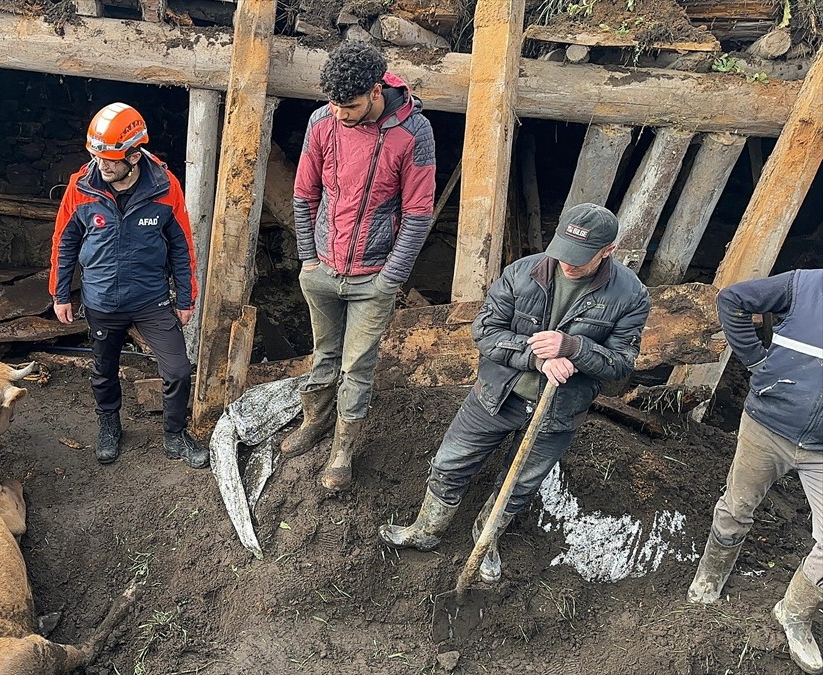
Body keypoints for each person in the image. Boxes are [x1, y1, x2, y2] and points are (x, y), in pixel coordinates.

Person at [378, 203, 651, 583]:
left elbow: (621, 363)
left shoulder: (631, 295)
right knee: (449, 463)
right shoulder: (522, 273)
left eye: (580, 257)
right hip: (496, 395)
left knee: (518, 485)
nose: (567, 264)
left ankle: (485, 539)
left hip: (558, 410)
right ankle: (427, 530)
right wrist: (537, 358)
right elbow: (486, 332)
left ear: (608, 251)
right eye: (564, 252)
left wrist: (575, 348)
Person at [283, 41, 437, 491]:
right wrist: (308, 259)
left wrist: (391, 278)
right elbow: (304, 194)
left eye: (349, 106)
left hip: (373, 277)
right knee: (324, 355)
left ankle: (342, 450)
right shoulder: (322, 122)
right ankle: (315, 422)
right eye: (334, 104)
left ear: (375, 91)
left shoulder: (414, 132)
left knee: (356, 367)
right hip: (322, 269)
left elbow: (418, 213)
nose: (341, 114)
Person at [49, 102, 208, 469]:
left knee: (178, 369)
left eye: (110, 159)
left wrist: (186, 298)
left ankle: (174, 434)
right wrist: (60, 293)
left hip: (150, 299)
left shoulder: (165, 187)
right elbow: (64, 242)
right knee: (103, 369)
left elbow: (182, 246)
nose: (101, 165)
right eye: (96, 156)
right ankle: (109, 426)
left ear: (134, 156)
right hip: (101, 299)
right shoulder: (81, 187)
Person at [685, 269, 823, 673]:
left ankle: (794, 614)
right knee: (737, 507)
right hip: (768, 425)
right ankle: (710, 578)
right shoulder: (805, 285)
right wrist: (758, 363)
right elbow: (732, 299)